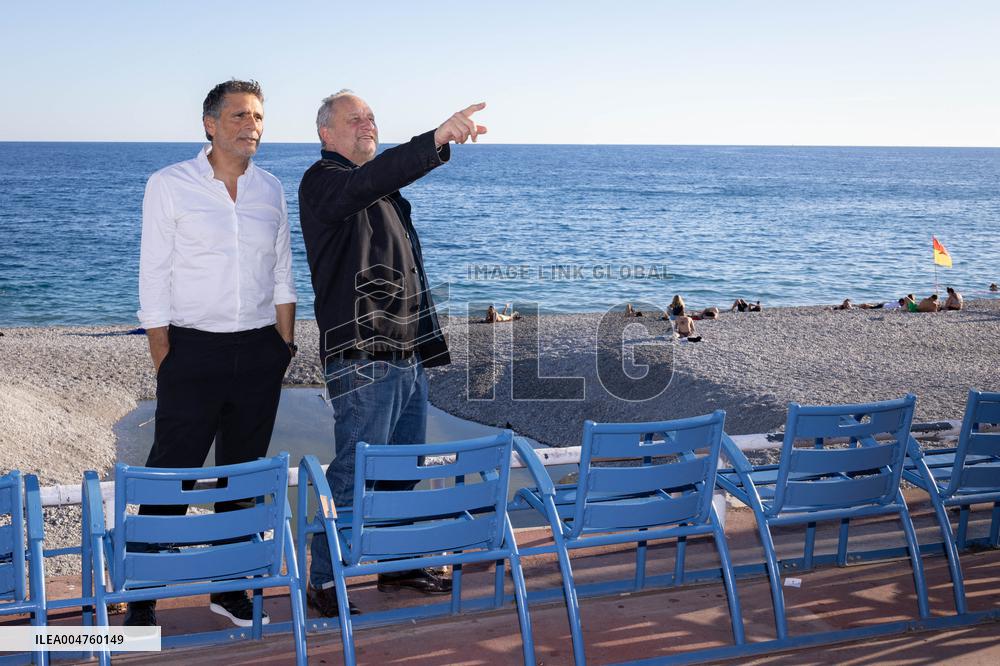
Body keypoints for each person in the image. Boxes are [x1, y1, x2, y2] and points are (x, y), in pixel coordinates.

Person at [299, 90, 487, 616]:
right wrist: (434, 140)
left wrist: (425, 345)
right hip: (362, 353)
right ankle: (325, 579)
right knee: (355, 469)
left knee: (404, 466)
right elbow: (372, 178)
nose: (367, 123)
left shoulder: (379, 192)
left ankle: (398, 564)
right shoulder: (324, 183)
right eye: (354, 118)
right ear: (326, 134)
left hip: (406, 351)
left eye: (371, 117)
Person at [133, 80, 296, 628]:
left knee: (242, 474)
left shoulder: (271, 188)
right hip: (192, 349)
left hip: (258, 350)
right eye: (239, 116)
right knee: (170, 474)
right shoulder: (169, 185)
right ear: (210, 124)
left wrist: (284, 344)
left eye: (257, 117)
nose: (252, 125)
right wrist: (165, 356)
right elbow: (153, 274)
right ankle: (142, 596)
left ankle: (231, 590)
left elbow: (282, 271)